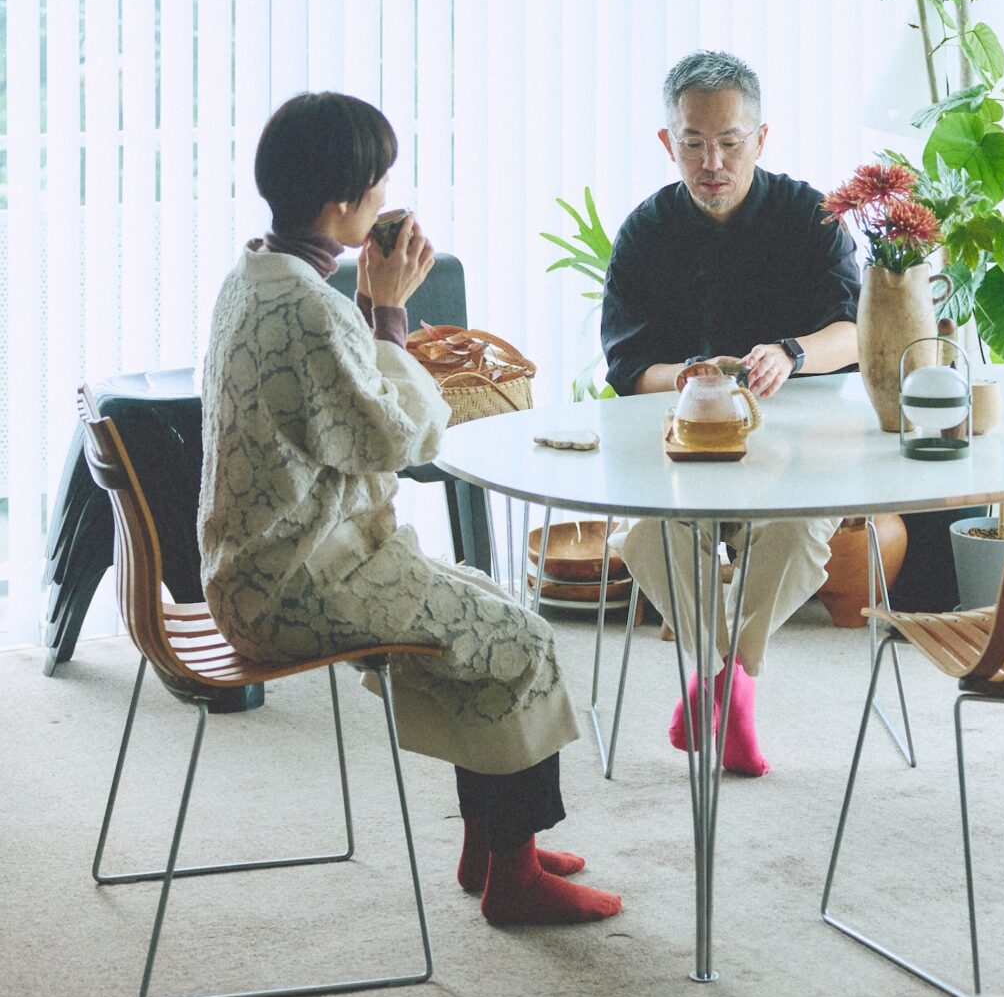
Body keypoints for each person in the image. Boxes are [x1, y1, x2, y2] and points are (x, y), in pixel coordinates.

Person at [199, 92, 621, 928]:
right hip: (300, 583)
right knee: (521, 640)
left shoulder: (256, 273)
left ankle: (493, 845)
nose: (386, 196)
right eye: (379, 181)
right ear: (343, 200)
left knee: (490, 604)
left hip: (262, 566)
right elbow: (402, 439)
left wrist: (368, 310)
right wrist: (388, 309)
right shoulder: (310, 309)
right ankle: (516, 879)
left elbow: (334, 409)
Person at [600, 51, 860, 776]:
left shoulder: (811, 216)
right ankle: (729, 680)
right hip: (686, 443)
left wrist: (793, 355)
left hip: (796, 442)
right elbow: (627, 366)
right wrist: (681, 377)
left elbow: (855, 327)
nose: (711, 161)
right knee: (647, 540)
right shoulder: (646, 231)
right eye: (693, 143)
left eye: (730, 142)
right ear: (667, 143)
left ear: (762, 137)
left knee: (802, 534)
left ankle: (722, 682)